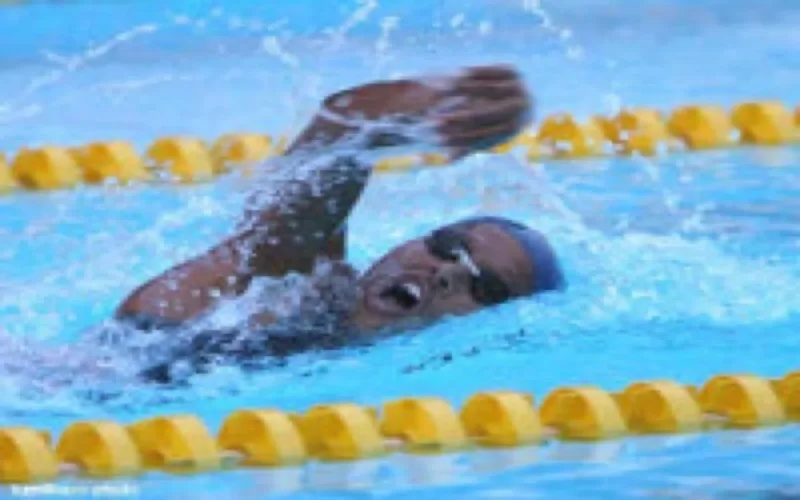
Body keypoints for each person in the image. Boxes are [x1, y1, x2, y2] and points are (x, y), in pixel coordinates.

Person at [110, 64, 565, 383]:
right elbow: (344, 127)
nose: (447, 272)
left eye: (485, 288)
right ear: (403, 244)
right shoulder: (289, 285)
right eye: (447, 246)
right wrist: (438, 101)